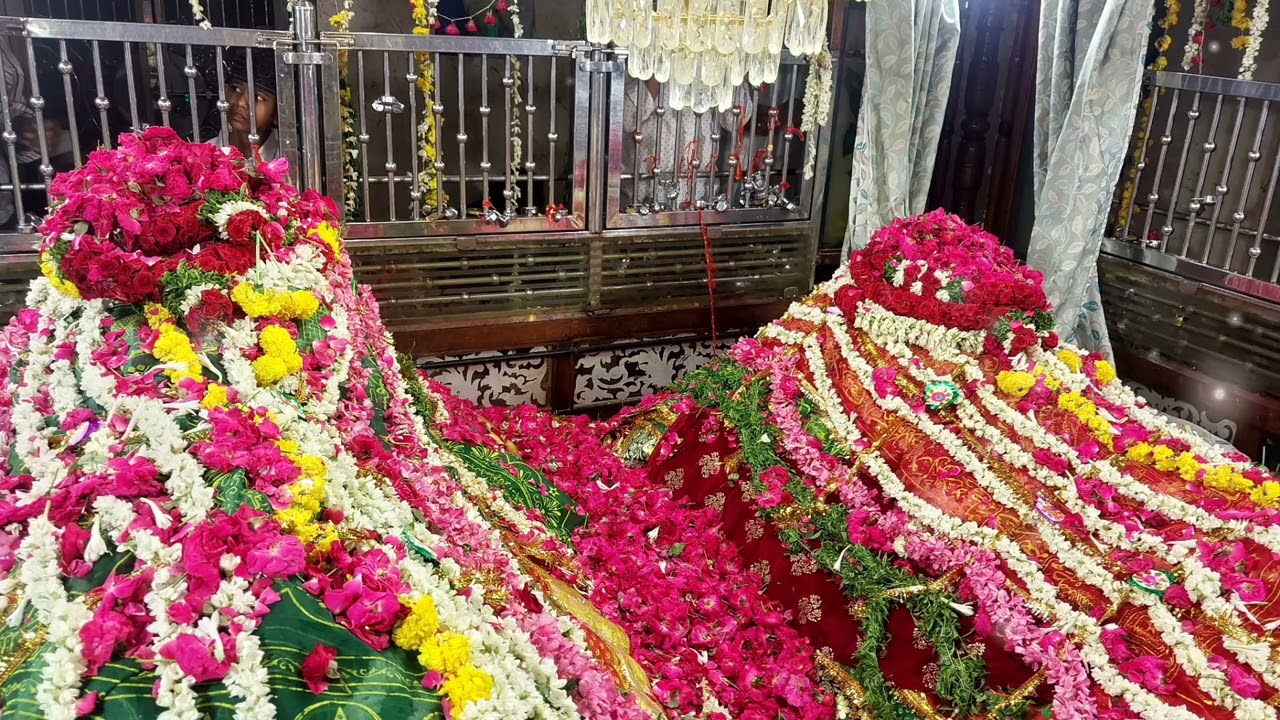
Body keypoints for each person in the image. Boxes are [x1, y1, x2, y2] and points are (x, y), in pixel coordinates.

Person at [621, 78, 753, 212]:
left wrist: (724, 71)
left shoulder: (712, 68)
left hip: (700, 196)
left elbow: (736, 120)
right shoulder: (642, 65)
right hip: (645, 197)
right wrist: (657, 70)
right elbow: (627, 120)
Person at [219, 47, 280, 162]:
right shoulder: (202, 159)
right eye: (236, 89)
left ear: (278, 111)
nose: (241, 102)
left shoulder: (292, 163)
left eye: (258, 97)